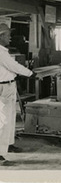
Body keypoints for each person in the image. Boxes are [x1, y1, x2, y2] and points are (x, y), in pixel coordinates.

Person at [0, 23, 33, 166]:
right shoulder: (0, 52)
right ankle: (0, 154)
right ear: (1, 36)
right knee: (3, 121)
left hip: (9, 85)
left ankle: (9, 144)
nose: (10, 38)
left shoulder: (4, 51)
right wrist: (30, 73)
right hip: (3, 87)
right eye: (8, 35)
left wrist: (17, 74)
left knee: (11, 116)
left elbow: (10, 69)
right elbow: (13, 66)